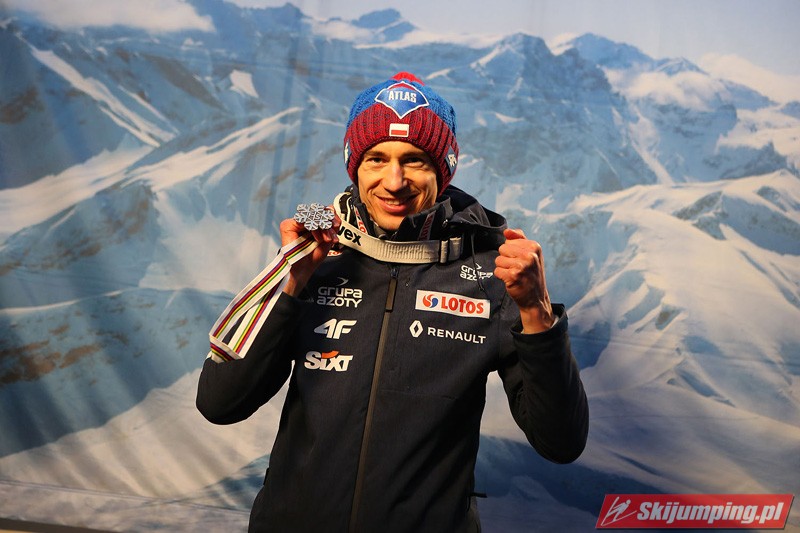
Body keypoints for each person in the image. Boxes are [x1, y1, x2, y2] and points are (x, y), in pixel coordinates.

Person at [196, 72, 589, 532]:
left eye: (415, 160)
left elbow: (561, 443)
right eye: (376, 159)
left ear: (444, 168)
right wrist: (291, 281)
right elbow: (219, 403)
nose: (394, 181)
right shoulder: (316, 250)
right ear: (354, 166)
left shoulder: (493, 270)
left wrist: (537, 313)